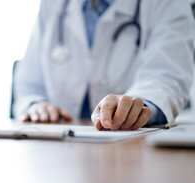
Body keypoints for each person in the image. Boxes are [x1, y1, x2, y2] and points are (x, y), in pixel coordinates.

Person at [13, 0, 195, 130]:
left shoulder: (169, 4)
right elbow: (29, 82)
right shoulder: (53, 5)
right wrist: (36, 104)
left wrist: (136, 104)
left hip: (131, 152)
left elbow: (167, 75)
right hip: (57, 150)